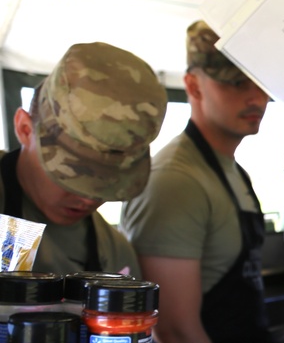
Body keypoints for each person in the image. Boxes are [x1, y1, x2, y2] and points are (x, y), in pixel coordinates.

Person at [121, 20, 275, 343]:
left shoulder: (232, 170)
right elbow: (175, 331)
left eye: (263, 83)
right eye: (235, 82)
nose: (256, 97)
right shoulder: (176, 181)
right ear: (192, 84)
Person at [2, 42, 165, 275]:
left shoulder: (113, 254)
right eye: (72, 172)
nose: (89, 199)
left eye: (106, 182)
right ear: (25, 129)